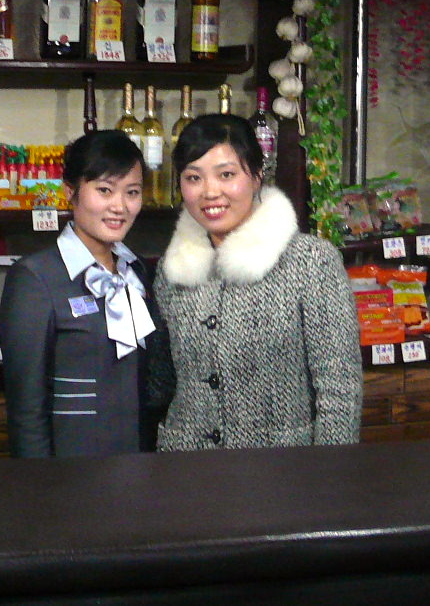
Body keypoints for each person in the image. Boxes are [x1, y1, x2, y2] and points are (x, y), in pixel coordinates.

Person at [154, 113, 360, 451]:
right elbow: (163, 383)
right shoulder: (172, 269)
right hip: (186, 469)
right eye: (194, 178)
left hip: (279, 472)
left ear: (257, 177)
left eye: (227, 175)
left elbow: (339, 387)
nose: (210, 192)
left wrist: (329, 476)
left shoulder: (311, 262)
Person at [0, 130, 172, 457]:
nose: (119, 206)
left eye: (132, 192)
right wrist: (41, 486)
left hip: (140, 463)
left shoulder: (137, 273)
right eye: (105, 190)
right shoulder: (35, 278)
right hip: (71, 472)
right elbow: (26, 409)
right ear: (71, 191)